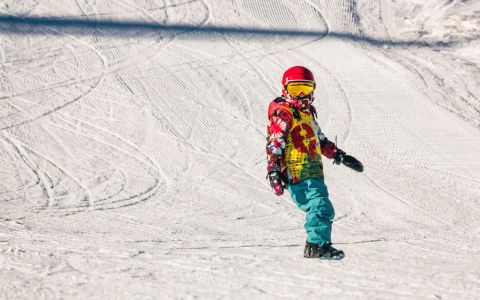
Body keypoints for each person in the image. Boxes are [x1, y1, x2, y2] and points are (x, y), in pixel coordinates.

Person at [266, 66, 363, 260]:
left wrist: (340, 156)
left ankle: (318, 245)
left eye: (306, 89)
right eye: (295, 89)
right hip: (297, 170)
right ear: (285, 89)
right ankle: (316, 246)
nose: (301, 94)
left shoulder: (307, 113)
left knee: (321, 207)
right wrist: (274, 171)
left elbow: (320, 140)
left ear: (313, 90)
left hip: (312, 170)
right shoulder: (285, 114)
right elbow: (275, 144)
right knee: (320, 206)